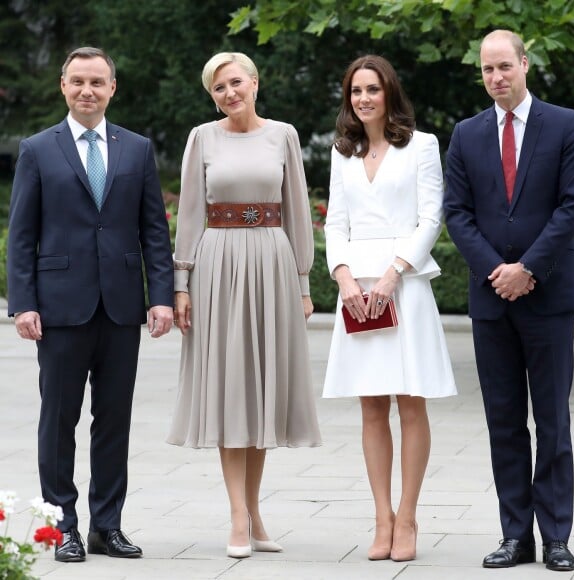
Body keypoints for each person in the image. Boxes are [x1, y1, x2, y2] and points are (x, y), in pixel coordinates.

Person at [7, 47, 174, 563]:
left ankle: (107, 525)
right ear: (63, 86)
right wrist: (23, 303)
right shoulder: (37, 149)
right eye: (78, 81)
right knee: (58, 420)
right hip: (59, 308)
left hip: (122, 308)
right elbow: (21, 234)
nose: (87, 90)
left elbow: (153, 230)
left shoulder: (137, 149)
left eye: (97, 82)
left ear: (112, 88)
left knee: (114, 420)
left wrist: (161, 298)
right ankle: (64, 527)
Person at [167, 52, 322, 559]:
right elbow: (190, 211)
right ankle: (237, 515)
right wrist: (182, 282)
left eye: (236, 83)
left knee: (259, 392)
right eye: (218, 88)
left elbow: (297, 207)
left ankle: (255, 513)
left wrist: (303, 282)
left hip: (272, 264)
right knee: (231, 389)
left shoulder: (284, 135)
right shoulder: (201, 138)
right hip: (219, 266)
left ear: (255, 82)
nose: (229, 93)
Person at [444, 30, 574, 571]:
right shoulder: (466, 134)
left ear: (525, 63)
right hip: (491, 300)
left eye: (504, 66)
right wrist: (497, 272)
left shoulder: (567, 125)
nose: (496, 77)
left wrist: (528, 269)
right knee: (503, 422)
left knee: (551, 422)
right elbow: (458, 213)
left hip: (547, 297)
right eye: (486, 70)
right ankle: (514, 536)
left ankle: (556, 537)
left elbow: (572, 206)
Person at [322, 55, 457, 562]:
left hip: (404, 283)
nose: (363, 99)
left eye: (372, 90)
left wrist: (393, 273)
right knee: (371, 404)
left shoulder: (421, 146)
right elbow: (336, 222)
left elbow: (431, 217)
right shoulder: (343, 151)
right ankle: (381, 519)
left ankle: (408, 516)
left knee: (410, 400)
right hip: (356, 291)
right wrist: (342, 277)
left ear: (389, 93)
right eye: (356, 90)